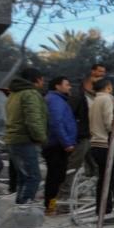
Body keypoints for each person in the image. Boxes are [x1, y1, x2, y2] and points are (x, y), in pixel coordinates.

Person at [5, 67, 47, 205]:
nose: (43, 82)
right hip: (25, 140)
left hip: (13, 140)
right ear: (37, 80)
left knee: (24, 177)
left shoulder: (14, 94)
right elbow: (33, 120)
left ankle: (19, 207)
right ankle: (23, 209)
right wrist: (41, 138)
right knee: (33, 177)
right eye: (42, 79)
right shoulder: (30, 94)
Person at [43, 76, 77, 216]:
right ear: (57, 86)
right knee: (54, 177)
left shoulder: (58, 100)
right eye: (67, 84)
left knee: (57, 176)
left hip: (58, 144)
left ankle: (51, 205)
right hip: (56, 145)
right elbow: (56, 123)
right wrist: (66, 142)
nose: (69, 87)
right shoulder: (55, 101)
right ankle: (50, 207)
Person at [88, 78, 114, 215]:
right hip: (105, 143)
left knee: (104, 178)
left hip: (95, 143)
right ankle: (107, 208)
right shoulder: (106, 99)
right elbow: (109, 121)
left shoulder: (94, 100)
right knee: (112, 178)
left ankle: (103, 208)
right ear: (108, 86)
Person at [69, 63, 107, 170]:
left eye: (104, 72)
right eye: (100, 71)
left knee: (94, 159)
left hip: (96, 131)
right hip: (84, 132)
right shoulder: (79, 95)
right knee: (77, 161)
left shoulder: (100, 94)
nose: (102, 74)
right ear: (92, 71)